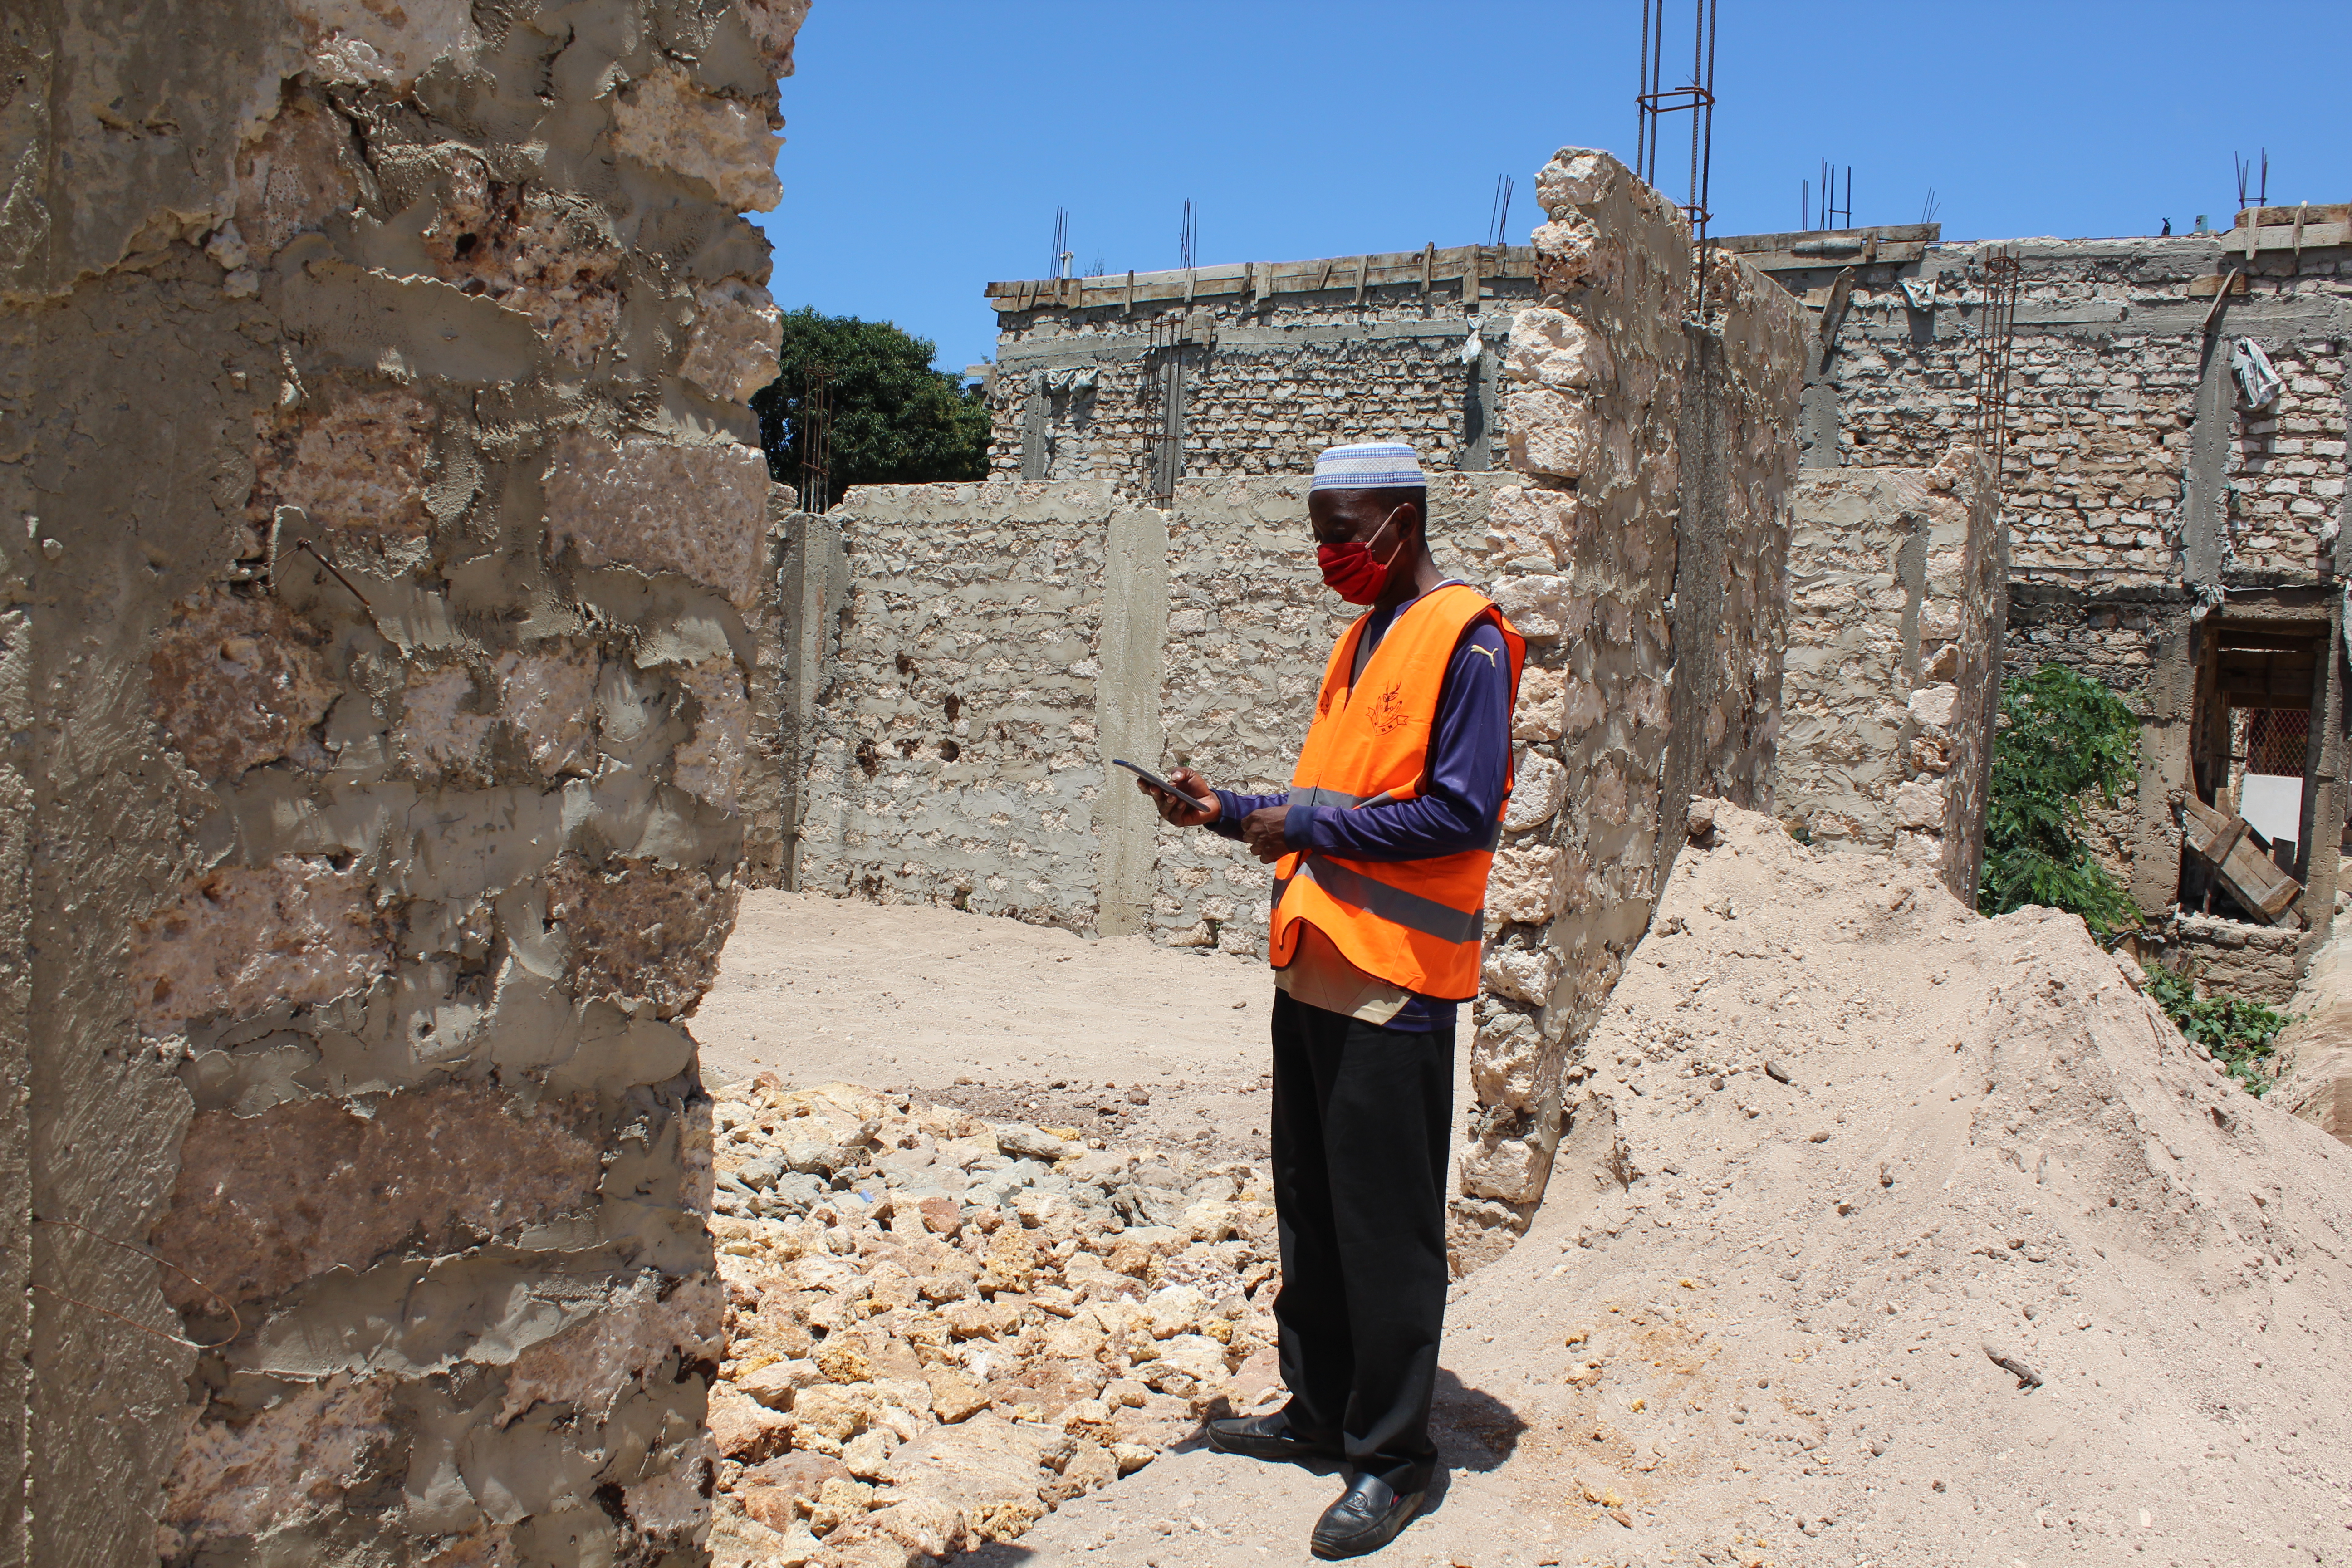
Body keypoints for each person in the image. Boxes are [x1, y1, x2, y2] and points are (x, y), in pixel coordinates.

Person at [1135, 441, 1524, 1558]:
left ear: (1403, 520)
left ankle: (1396, 1460)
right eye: (1319, 533)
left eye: (1346, 533)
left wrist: (1299, 824)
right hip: (1317, 963)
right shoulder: (1364, 638)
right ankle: (1318, 1413)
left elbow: (1459, 816)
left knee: (1385, 1228)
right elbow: (1335, 798)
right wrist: (1227, 811)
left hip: (1397, 981)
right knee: (1310, 1204)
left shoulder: (1472, 641)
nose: (1330, 555)